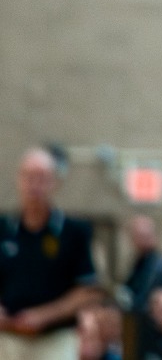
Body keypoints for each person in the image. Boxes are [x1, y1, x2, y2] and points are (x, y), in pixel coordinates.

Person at [0, 147, 100, 358]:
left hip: (55, 339)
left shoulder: (74, 231)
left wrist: (44, 315)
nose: (34, 184)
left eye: (42, 177)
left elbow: (88, 290)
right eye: (29, 176)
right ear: (18, 179)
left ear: (55, 182)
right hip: (7, 337)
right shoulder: (3, 228)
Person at [121, 218, 162, 360]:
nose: (141, 240)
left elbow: (143, 299)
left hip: (153, 329)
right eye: (138, 236)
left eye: (145, 235)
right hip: (140, 327)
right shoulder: (140, 261)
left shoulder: (157, 265)